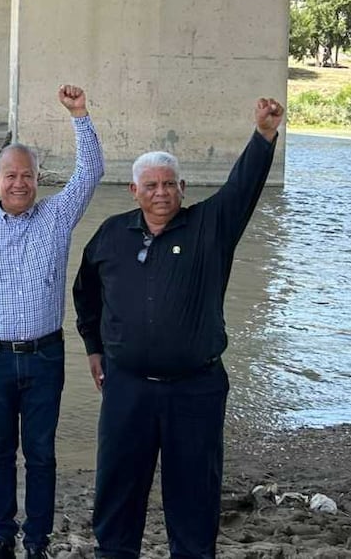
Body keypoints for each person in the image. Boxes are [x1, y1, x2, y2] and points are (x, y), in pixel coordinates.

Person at [72, 98, 284, 558]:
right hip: (127, 389)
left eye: (169, 184)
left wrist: (264, 134)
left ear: (183, 188)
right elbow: (85, 292)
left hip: (195, 389)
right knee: (118, 485)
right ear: (134, 190)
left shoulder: (210, 226)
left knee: (194, 491)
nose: (161, 193)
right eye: (151, 185)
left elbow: (243, 187)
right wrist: (93, 346)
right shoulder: (111, 235)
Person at [0, 86, 104, 558]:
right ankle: (1, 537)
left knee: (41, 454)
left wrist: (79, 115)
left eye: (27, 175)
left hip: (45, 356)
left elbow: (91, 172)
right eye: (10, 175)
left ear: (37, 179)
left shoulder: (57, 217)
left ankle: (37, 541)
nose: (19, 183)